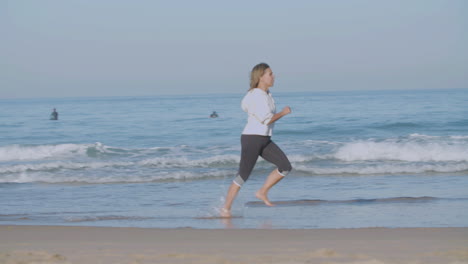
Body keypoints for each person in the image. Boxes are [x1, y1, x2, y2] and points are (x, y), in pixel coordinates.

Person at [221, 63, 292, 218]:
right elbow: (266, 120)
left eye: (272, 73)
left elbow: (245, 106)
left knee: (285, 166)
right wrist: (283, 113)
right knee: (243, 175)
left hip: (265, 139)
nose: (273, 76)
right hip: (252, 139)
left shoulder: (265, 95)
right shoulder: (257, 95)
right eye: (270, 74)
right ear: (261, 77)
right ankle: (225, 208)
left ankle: (262, 192)